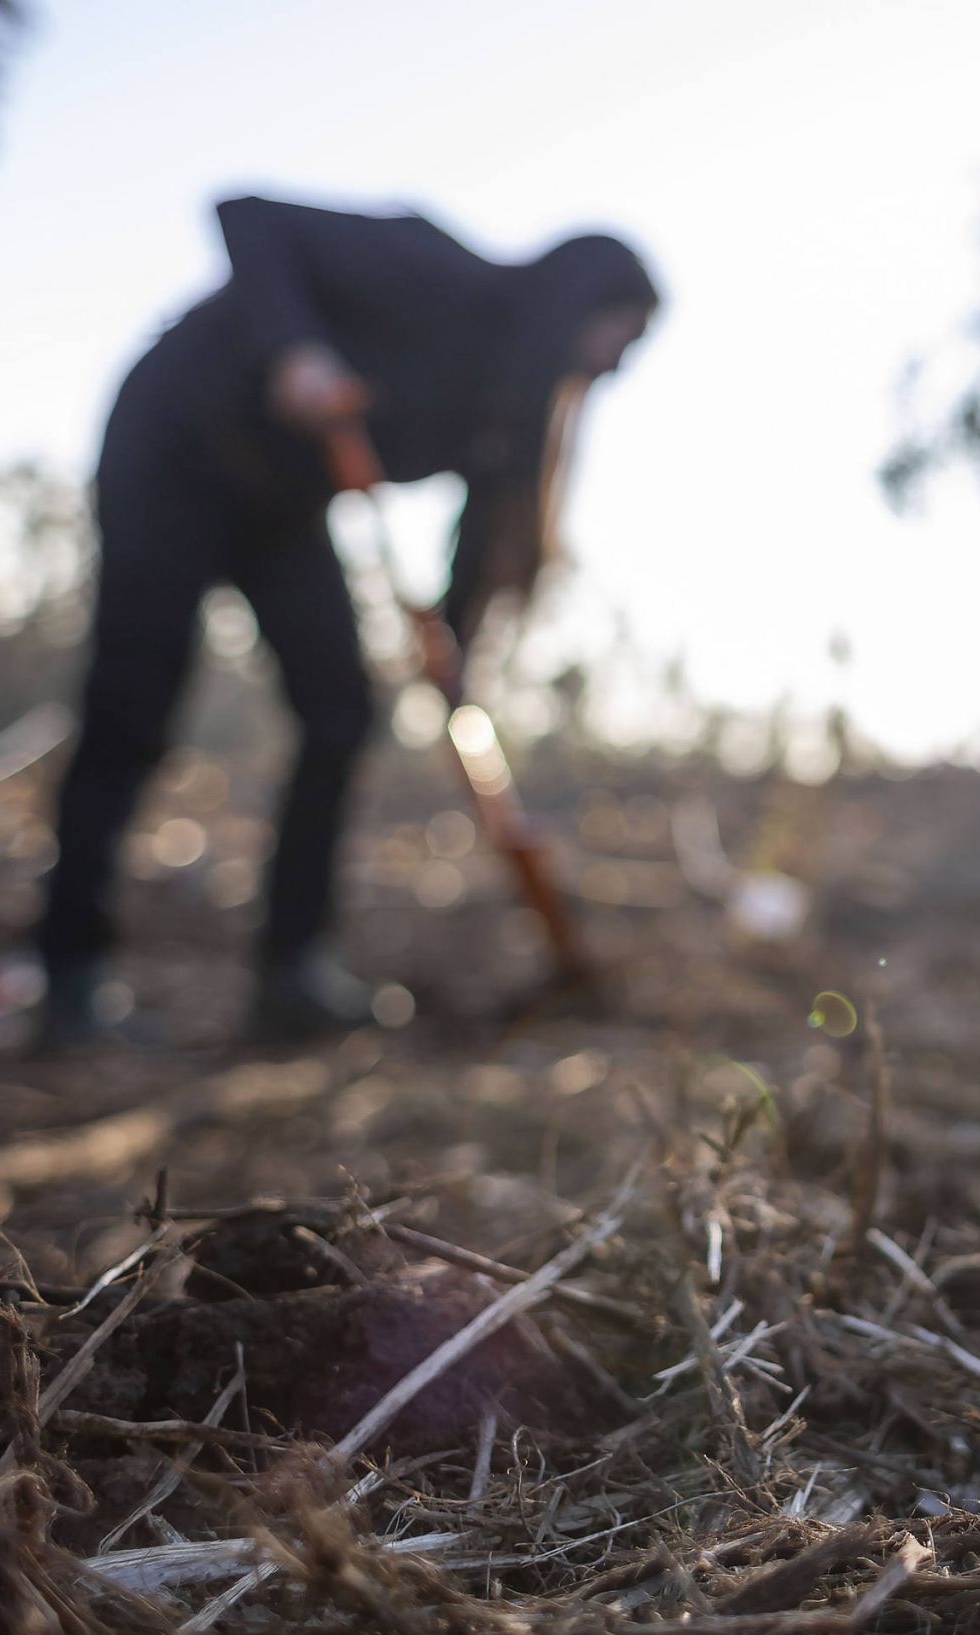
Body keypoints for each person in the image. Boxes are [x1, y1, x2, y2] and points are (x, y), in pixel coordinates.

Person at [35, 195, 655, 1047]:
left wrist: (456, 658)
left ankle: (293, 968)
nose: (615, 364)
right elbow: (249, 216)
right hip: (173, 448)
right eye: (620, 334)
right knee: (134, 700)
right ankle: (68, 970)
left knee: (339, 711)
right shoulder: (434, 270)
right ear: (576, 300)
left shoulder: (505, 413)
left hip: (282, 507)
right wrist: (300, 353)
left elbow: (476, 547)